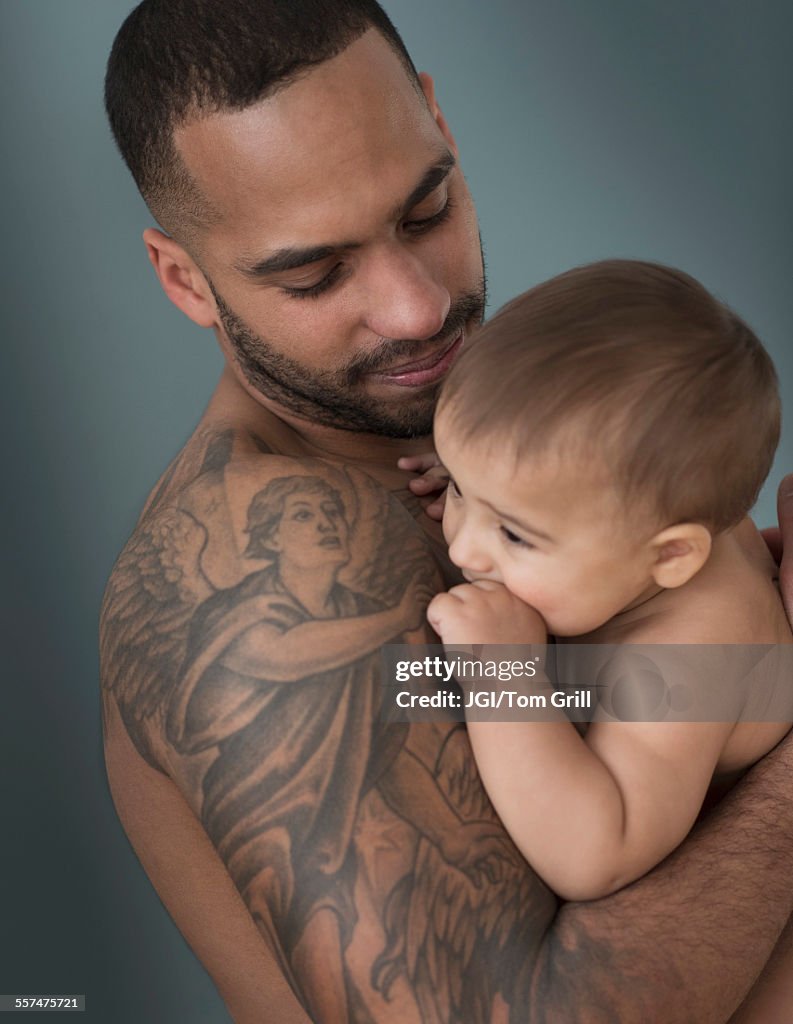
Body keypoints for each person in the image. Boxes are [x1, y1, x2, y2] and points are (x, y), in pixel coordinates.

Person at [98, 2, 793, 1021]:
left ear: (441, 124)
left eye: (426, 211)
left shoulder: (529, 426)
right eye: (314, 272)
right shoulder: (251, 596)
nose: (418, 307)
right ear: (183, 280)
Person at [423, 259, 792, 902]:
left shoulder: (686, 657)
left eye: (513, 533)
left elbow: (597, 854)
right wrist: (495, 483)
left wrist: (503, 673)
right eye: (458, 486)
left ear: (672, 556)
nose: (463, 545)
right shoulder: (650, 510)